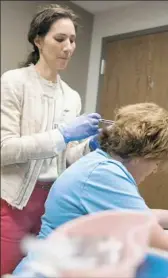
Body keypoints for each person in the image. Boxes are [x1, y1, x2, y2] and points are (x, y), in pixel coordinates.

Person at [1, 4, 101, 275]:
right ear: (38, 40)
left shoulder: (72, 97)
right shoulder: (13, 83)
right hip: (12, 202)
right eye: (60, 39)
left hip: (52, 204)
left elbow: (65, 157)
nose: (68, 47)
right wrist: (63, 134)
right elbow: (4, 149)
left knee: (40, 272)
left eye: (72, 40)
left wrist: (89, 146)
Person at [13, 102, 168, 276]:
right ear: (143, 155)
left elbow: (136, 215)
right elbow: (153, 237)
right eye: (156, 161)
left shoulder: (99, 162)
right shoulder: (104, 174)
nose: (154, 169)